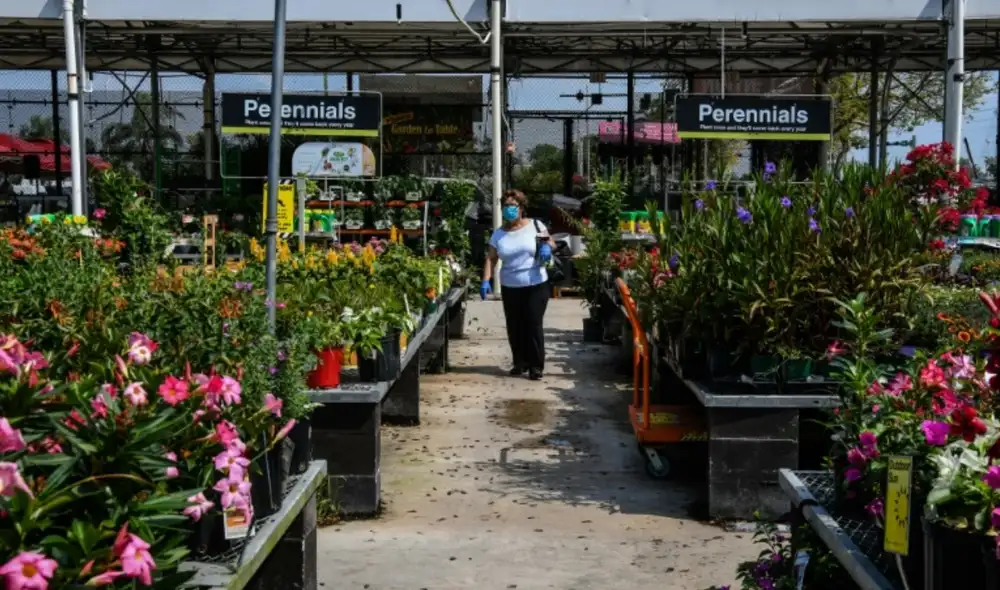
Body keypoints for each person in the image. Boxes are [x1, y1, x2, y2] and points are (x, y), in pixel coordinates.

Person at [480, 190, 555, 380]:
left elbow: (551, 243)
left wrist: (546, 246)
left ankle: (536, 366)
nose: (508, 210)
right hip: (510, 286)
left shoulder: (536, 225)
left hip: (536, 283)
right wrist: (485, 280)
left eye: (512, 206)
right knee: (515, 326)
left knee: (533, 323)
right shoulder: (499, 234)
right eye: (505, 206)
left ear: (521, 208)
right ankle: (520, 362)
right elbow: (491, 258)